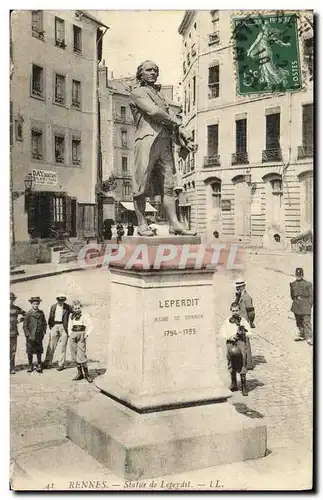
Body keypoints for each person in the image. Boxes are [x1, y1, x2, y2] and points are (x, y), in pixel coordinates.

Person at [129, 60, 197, 237]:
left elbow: (167, 123)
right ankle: (142, 224)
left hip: (165, 143)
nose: (153, 73)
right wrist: (178, 124)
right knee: (140, 185)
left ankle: (175, 224)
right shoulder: (137, 92)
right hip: (146, 142)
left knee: (168, 186)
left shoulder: (161, 97)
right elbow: (154, 113)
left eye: (155, 70)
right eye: (149, 70)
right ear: (141, 74)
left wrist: (183, 141)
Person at [220, 302, 252, 396]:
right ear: (231, 311)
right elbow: (222, 332)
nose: (235, 312)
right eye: (233, 311)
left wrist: (243, 333)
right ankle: (233, 383)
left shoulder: (243, 321)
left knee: (242, 359)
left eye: (236, 310)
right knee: (230, 360)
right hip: (230, 342)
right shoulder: (227, 321)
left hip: (240, 342)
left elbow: (250, 332)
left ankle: (243, 386)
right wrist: (229, 337)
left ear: (239, 310)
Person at [43, 293, 72, 371]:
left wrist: (69, 326)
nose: (61, 301)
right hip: (55, 325)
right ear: (57, 300)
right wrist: (51, 326)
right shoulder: (53, 307)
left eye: (62, 300)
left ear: (64, 300)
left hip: (64, 327)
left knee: (63, 346)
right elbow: (50, 317)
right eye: (59, 300)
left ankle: (61, 364)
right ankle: (47, 362)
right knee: (51, 345)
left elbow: (73, 314)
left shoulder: (68, 307)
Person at [68, 300, 93, 383]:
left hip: (81, 335)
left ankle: (87, 374)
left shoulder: (85, 316)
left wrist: (87, 334)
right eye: (75, 308)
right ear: (73, 308)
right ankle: (79, 373)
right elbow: (69, 326)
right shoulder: (71, 316)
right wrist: (70, 334)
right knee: (74, 354)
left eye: (78, 308)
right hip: (73, 335)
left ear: (81, 307)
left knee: (81, 355)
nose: (77, 309)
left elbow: (91, 325)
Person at [23, 296, 47, 373]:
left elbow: (44, 323)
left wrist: (43, 331)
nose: (35, 305)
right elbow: (25, 326)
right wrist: (28, 335)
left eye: (37, 304)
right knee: (30, 351)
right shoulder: (28, 314)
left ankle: (39, 364)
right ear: (31, 304)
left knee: (39, 350)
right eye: (34, 304)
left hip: (39, 335)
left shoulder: (41, 313)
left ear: (39, 304)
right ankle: (30, 365)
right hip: (30, 336)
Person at [235, 279, 255, 370]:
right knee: (241, 342)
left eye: (239, 287)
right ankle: (243, 361)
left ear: (243, 287)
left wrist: (251, 322)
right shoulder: (239, 296)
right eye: (237, 287)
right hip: (240, 322)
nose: (237, 289)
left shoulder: (247, 297)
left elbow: (251, 312)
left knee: (246, 342)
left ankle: (249, 364)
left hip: (245, 323)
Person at [290, 267, 313, 345]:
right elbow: (292, 296)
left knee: (306, 321)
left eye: (300, 274)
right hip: (296, 305)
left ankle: (309, 337)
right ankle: (302, 334)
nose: (298, 276)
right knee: (298, 321)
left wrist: (309, 304)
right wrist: (296, 301)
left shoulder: (308, 284)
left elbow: (311, 295)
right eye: (297, 274)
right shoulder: (293, 284)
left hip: (306, 304)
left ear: (302, 275)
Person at [10, 292, 25, 374]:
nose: (10, 301)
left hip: (13, 332)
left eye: (11, 299)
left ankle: (12, 367)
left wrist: (19, 320)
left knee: (12, 350)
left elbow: (26, 314)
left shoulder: (16, 308)